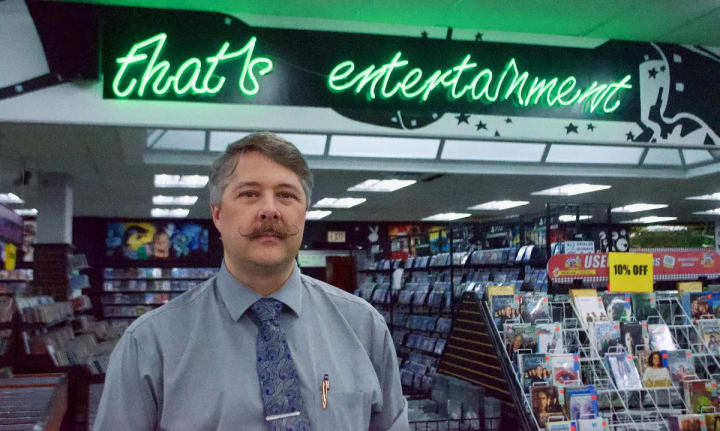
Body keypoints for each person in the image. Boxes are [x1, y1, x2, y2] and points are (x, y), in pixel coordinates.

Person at [94, 132, 409, 430]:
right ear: (217, 214)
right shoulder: (149, 344)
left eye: (286, 195)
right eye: (249, 194)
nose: (270, 210)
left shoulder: (363, 328)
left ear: (304, 213)